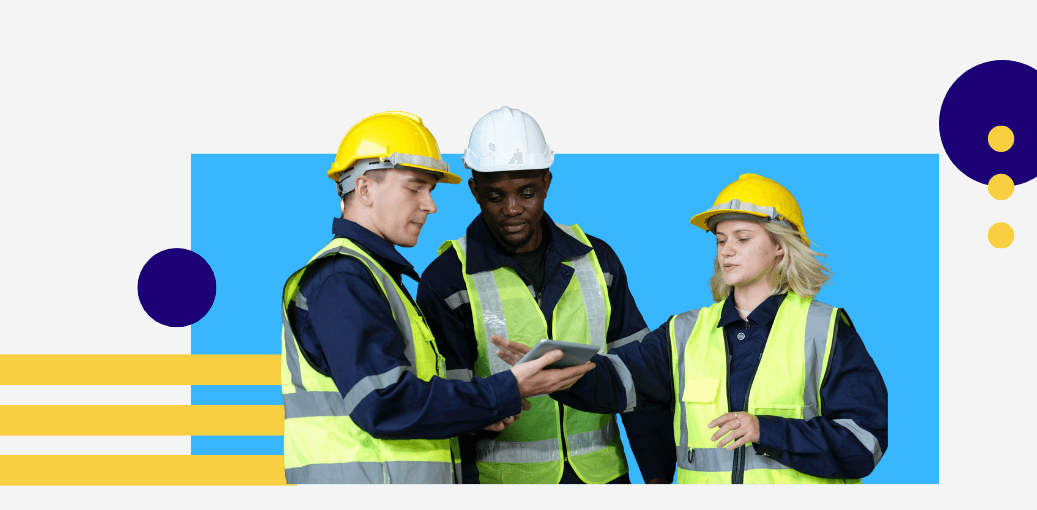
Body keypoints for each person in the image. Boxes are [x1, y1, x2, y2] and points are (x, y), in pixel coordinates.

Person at [493, 174, 887, 484]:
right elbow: (618, 380)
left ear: (780, 247)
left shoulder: (825, 329)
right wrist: (553, 367)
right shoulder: (684, 332)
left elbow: (864, 443)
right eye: (720, 240)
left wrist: (766, 431)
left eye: (743, 238)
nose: (726, 250)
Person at [280, 111, 592, 484]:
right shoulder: (342, 280)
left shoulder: (373, 276)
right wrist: (508, 389)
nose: (430, 205)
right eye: (414, 188)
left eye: (430, 190)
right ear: (364, 189)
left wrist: (478, 414)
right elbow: (385, 404)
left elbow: (407, 399)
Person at [417, 106, 675, 484]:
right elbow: (447, 405)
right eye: (495, 196)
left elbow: (638, 377)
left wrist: (657, 476)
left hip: (603, 477)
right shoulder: (448, 280)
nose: (512, 209)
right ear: (474, 190)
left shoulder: (598, 260)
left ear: (546, 183)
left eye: (526, 193)